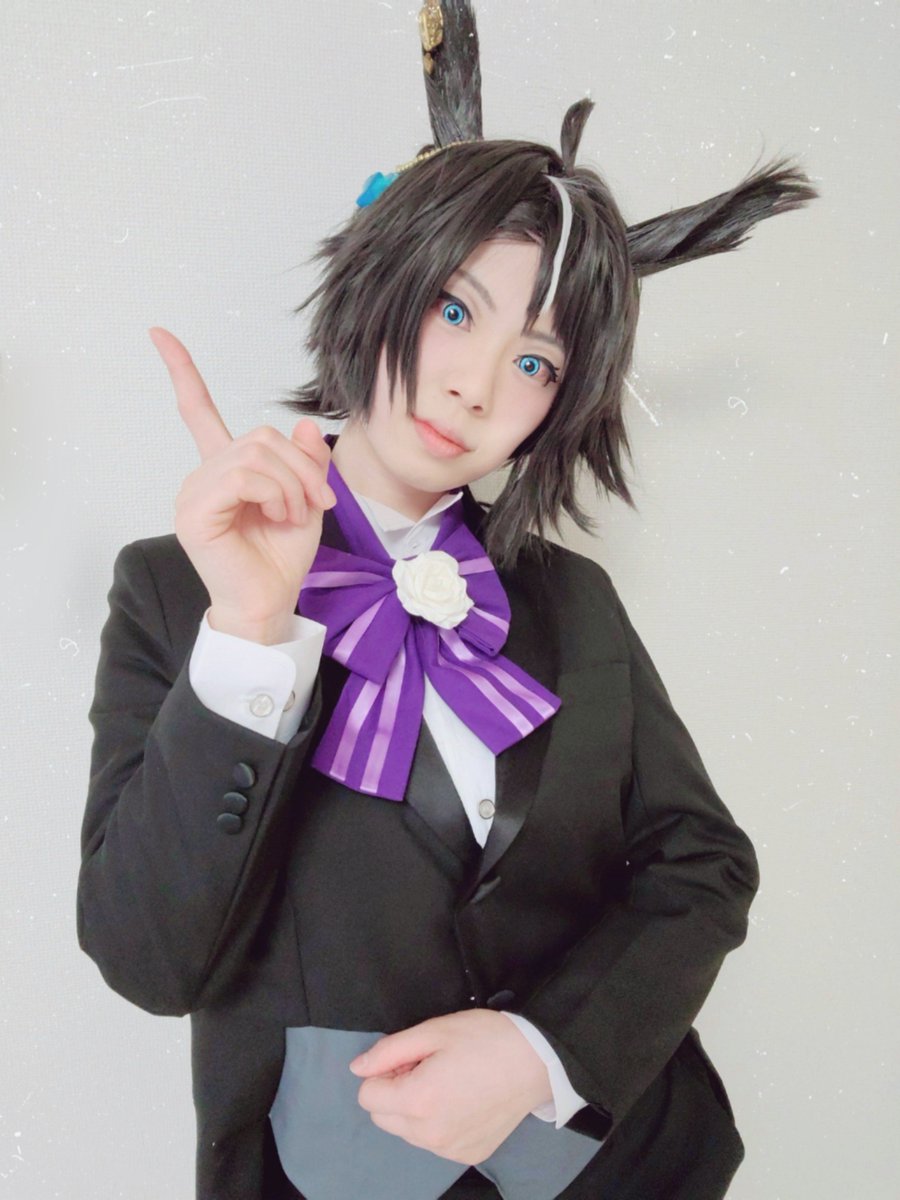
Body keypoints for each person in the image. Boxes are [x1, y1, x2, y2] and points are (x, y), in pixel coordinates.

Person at [78, 3, 816, 1198]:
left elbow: (702, 862)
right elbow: (147, 960)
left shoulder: (575, 604)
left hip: (621, 1167)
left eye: (535, 362)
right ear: (383, 279)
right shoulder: (173, 590)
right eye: (457, 309)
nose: (477, 386)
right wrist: (251, 636)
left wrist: (541, 1055)